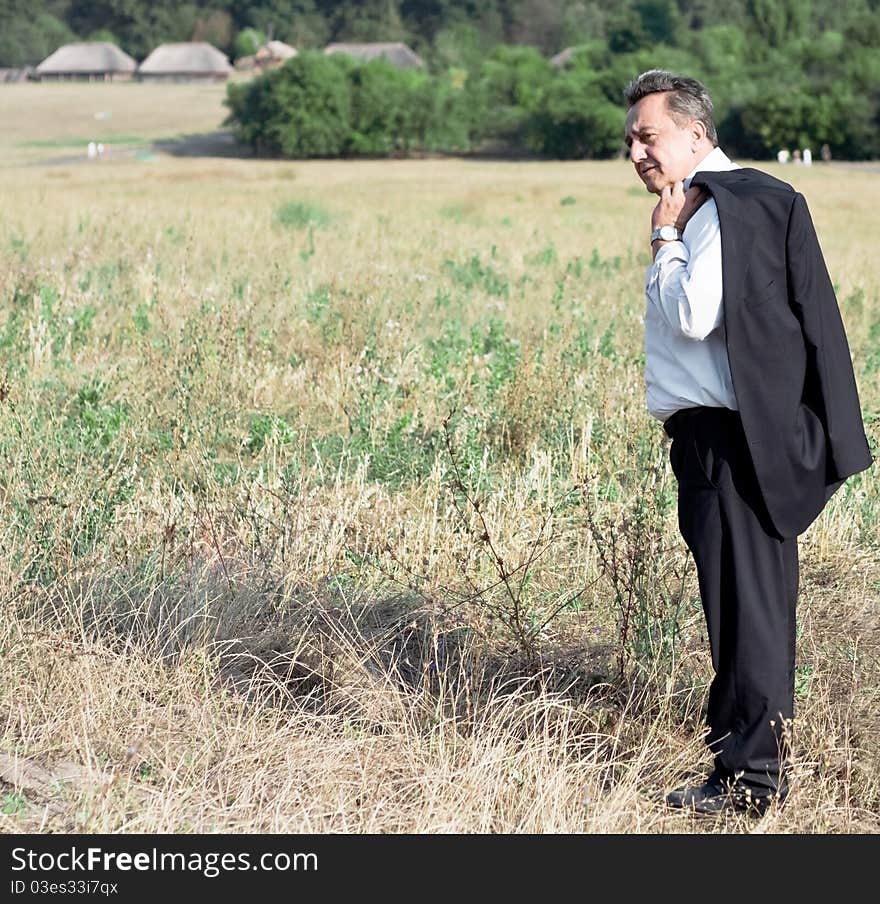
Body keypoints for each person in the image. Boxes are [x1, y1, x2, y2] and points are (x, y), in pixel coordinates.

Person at [623, 70, 873, 816]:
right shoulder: (735, 200)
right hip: (720, 440)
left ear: (696, 134)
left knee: (750, 612)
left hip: (734, 445)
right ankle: (735, 768)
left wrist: (665, 238)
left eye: (649, 134)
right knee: (735, 610)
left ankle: (753, 783)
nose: (636, 151)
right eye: (629, 140)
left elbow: (696, 315)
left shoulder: (715, 207)